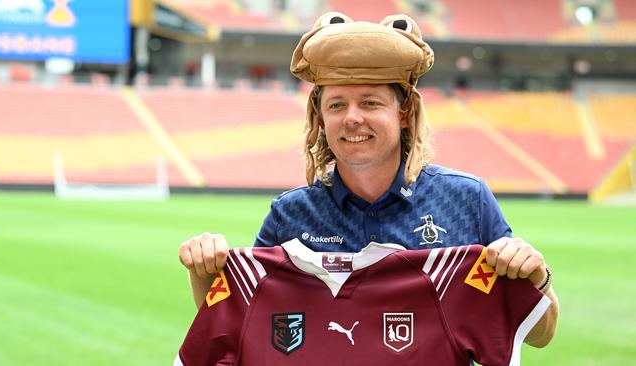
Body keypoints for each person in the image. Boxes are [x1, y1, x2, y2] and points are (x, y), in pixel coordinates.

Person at [179, 12, 559, 349]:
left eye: (371, 102)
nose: (352, 118)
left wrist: (537, 277)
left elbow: (539, 334)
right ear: (320, 118)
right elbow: (243, 319)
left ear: (404, 113)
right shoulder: (290, 213)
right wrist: (203, 273)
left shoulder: (466, 199)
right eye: (337, 105)